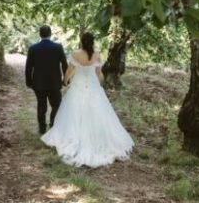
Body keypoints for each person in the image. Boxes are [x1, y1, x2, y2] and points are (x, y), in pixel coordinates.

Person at [41, 32, 134, 168]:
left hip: (77, 87)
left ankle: (71, 139)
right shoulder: (97, 55)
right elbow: (99, 74)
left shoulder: (75, 54)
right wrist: (100, 85)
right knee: (97, 113)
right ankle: (99, 140)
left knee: (74, 113)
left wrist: (65, 81)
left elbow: (69, 70)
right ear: (92, 42)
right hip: (93, 87)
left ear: (82, 41)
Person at [25, 25, 68, 134]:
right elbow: (64, 64)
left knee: (41, 105)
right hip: (54, 83)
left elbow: (28, 66)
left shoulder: (33, 48)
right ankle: (53, 124)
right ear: (50, 34)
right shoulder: (58, 47)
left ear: (40, 34)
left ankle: (42, 128)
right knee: (57, 104)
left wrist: (28, 82)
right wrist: (65, 79)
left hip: (38, 83)